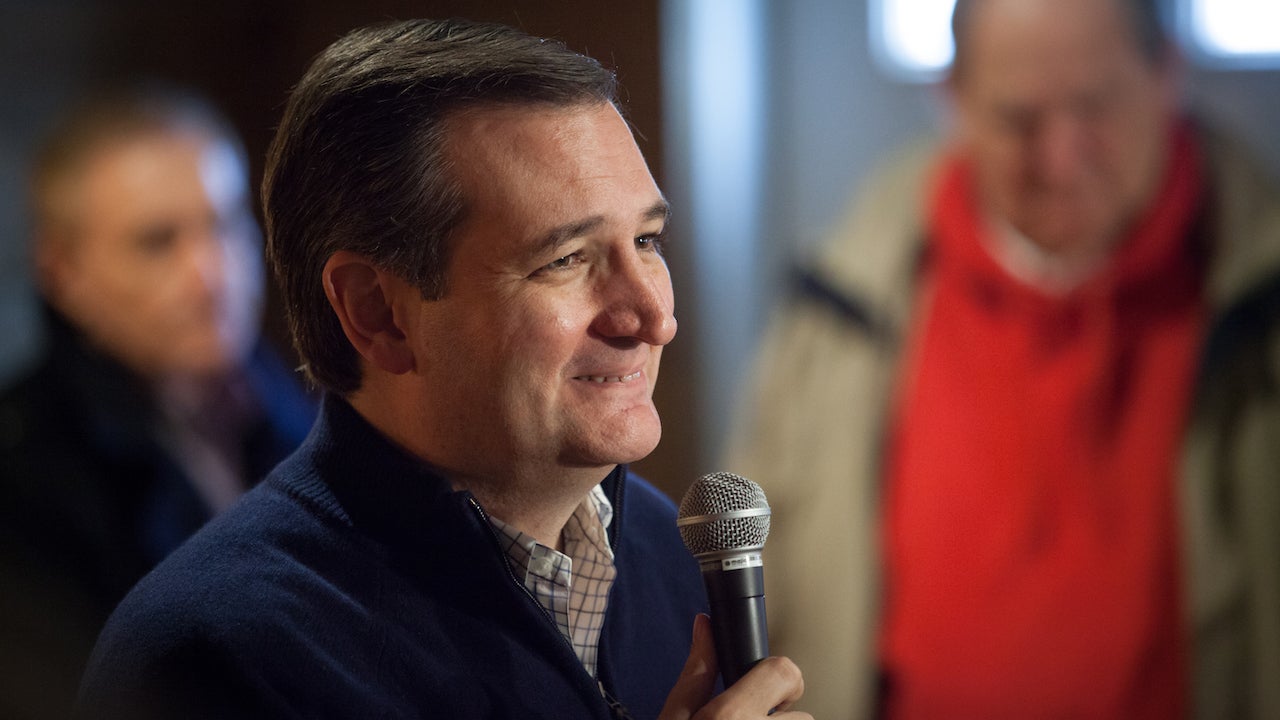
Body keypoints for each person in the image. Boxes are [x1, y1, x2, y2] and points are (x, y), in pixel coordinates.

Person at [76, 18, 808, 720]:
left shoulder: (669, 554)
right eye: (566, 259)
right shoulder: (213, 656)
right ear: (377, 313)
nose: (653, 317)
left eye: (647, 240)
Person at [724, 0, 1280, 718]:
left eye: (1095, 106)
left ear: (1167, 73)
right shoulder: (841, 305)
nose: (1062, 157)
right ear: (950, 98)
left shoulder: (1256, 298)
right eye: (1019, 119)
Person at [0, 85, 315, 719]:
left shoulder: (305, 413)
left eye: (225, 222)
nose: (212, 272)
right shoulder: (22, 477)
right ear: (63, 272)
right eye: (157, 242)